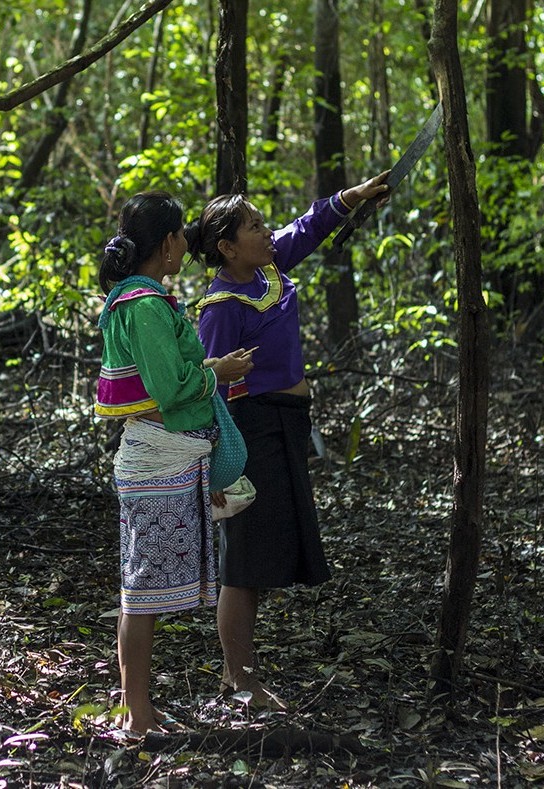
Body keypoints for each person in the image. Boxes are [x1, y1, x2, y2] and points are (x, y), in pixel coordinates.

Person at [187, 174, 390, 710]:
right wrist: (214, 465)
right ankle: (241, 681)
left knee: (258, 556)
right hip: (249, 433)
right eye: (254, 226)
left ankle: (242, 676)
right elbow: (206, 385)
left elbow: (310, 226)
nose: (266, 231)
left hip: (287, 426)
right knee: (244, 562)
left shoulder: (269, 270)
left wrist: (354, 196)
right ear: (228, 247)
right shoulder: (222, 307)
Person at [94, 191, 256, 735]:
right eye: (183, 235)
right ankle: (136, 713)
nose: (188, 244)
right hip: (158, 463)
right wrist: (218, 374)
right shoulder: (143, 307)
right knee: (141, 595)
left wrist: (210, 368)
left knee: (144, 591)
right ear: (167, 243)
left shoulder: (137, 300)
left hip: (169, 460)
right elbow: (171, 388)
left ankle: (139, 705)